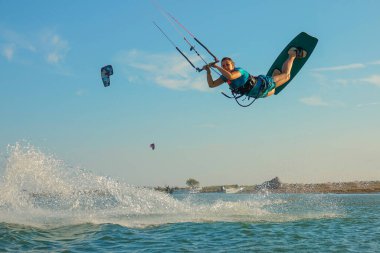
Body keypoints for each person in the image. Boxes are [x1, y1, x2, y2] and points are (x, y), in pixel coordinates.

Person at [203, 47, 307, 98]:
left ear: (233, 65)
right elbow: (211, 85)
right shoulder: (225, 77)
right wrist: (208, 72)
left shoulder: (239, 71)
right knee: (274, 91)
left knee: (287, 76)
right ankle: (276, 74)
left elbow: (231, 76)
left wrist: (216, 66)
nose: (225, 66)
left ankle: (292, 54)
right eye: (223, 65)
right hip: (258, 95)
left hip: (264, 84)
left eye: (227, 64)